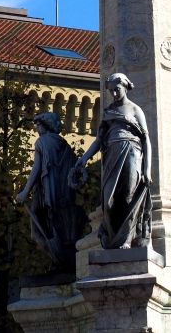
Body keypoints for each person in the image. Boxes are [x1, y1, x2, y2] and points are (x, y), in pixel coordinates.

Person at [71, 72, 152, 249]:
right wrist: (84, 158)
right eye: (111, 91)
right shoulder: (108, 112)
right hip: (111, 155)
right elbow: (99, 140)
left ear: (125, 87)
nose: (114, 94)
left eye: (117, 89)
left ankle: (126, 239)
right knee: (108, 202)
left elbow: (146, 139)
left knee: (128, 197)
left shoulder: (135, 110)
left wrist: (147, 169)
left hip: (131, 152)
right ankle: (113, 236)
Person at [16, 112, 86, 271]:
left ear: (46, 126)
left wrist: (25, 192)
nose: (36, 129)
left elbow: (37, 169)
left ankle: (59, 260)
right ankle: (63, 261)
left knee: (38, 232)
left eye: (39, 125)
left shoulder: (42, 142)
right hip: (64, 198)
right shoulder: (65, 146)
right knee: (59, 232)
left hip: (47, 196)